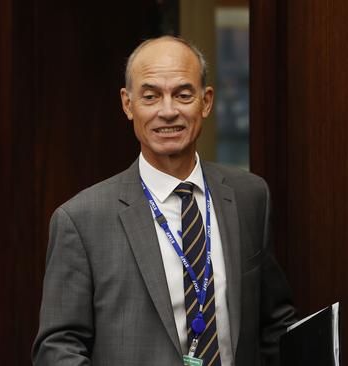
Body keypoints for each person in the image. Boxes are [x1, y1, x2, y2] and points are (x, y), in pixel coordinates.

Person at [32, 35, 296, 366]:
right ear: (128, 104)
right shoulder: (81, 220)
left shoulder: (250, 197)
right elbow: (57, 348)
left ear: (206, 101)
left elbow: (275, 325)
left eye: (183, 95)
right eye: (151, 96)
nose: (167, 111)